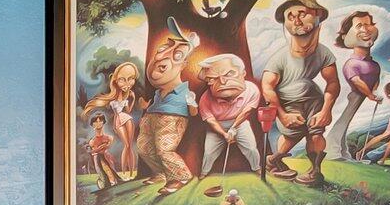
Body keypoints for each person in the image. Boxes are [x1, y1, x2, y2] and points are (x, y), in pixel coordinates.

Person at [260, 0, 341, 185]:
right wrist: (282, 114)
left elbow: (332, 82)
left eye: (302, 14)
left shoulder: (324, 53)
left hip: (313, 99)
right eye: (290, 16)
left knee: (316, 132)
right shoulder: (280, 57)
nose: (296, 21)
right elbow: (267, 87)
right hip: (288, 102)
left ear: (317, 15)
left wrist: (326, 110)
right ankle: (274, 160)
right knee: (292, 135)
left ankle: (315, 171)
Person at [136, 24, 198, 195]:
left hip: (172, 119)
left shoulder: (185, 91)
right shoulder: (158, 92)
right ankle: (160, 173)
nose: (157, 71)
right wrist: (145, 108)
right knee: (143, 147)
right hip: (151, 117)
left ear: (183, 64)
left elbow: (193, 113)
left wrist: (192, 104)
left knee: (164, 149)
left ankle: (180, 176)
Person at [194, 53, 263, 189]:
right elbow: (211, 121)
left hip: (240, 123)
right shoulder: (205, 99)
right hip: (217, 127)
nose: (223, 82)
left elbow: (246, 112)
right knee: (209, 152)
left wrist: (233, 128)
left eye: (230, 73)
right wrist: (224, 134)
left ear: (242, 73)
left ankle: (257, 169)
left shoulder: (252, 90)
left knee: (251, 148)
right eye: (214, 79)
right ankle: (204, 174)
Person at [83, 61, 145, 177]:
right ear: (115, 80)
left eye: (131, 79)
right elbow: (114, 112)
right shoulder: (113, 98)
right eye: (122, 79)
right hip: (118, 120)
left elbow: (128, 110)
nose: (127, 83)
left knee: (129, 145)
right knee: (126, 145)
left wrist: (136, 101)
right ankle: (124, 172)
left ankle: (131, 171)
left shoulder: (131, 94)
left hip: (127, 118)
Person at [333, 11, 382, 150]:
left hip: (365, 96)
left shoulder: (374, 64)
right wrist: (370, 95)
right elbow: (357, 81)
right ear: (345, 36)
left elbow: (375, 80)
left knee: (348, 120)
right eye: (359, 26)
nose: (365, 29)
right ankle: (334, 148)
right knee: (345, 119)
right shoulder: (352, 64)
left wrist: (374, 92)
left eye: (368, 24)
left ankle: (341, 150)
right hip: (355, 96)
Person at [83, 110, 120, 188]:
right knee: (101, 161)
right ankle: (108, 182)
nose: (98, 123)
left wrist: (102, 147)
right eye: (95, 122)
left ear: (103, 122)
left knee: (107, 162)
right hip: (98, 160)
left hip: (108, 158)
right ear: (92, 124)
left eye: (100, 121)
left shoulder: (109, 137)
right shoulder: (92, 141)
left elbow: (107, 145)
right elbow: (93, 152)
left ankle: (113, 181)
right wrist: (99, 149)